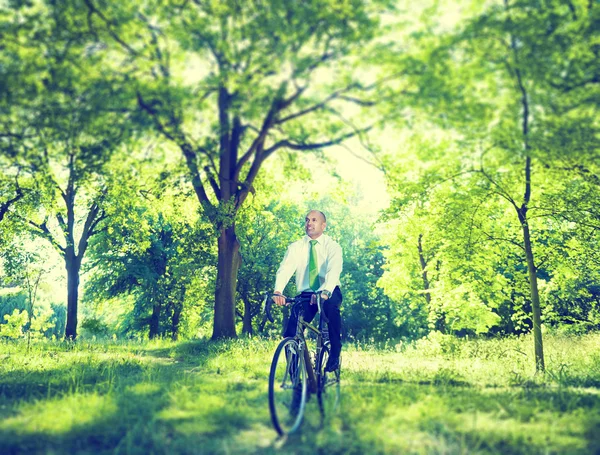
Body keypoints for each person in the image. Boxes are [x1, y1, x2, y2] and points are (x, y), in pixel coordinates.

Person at [273, 209, 343, 372]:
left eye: (313, 220)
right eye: (307, 220)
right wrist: (278, 291)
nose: (309, 223)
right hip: (306, 295)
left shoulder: (332, 246)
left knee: (330, 308)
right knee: (292, 330)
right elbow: (285, 268)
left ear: (323, 225)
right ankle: (295, 375)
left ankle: (334, 354)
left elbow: (334, 271)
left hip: (329, 291)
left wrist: (325, 292)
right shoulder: (296, 247)